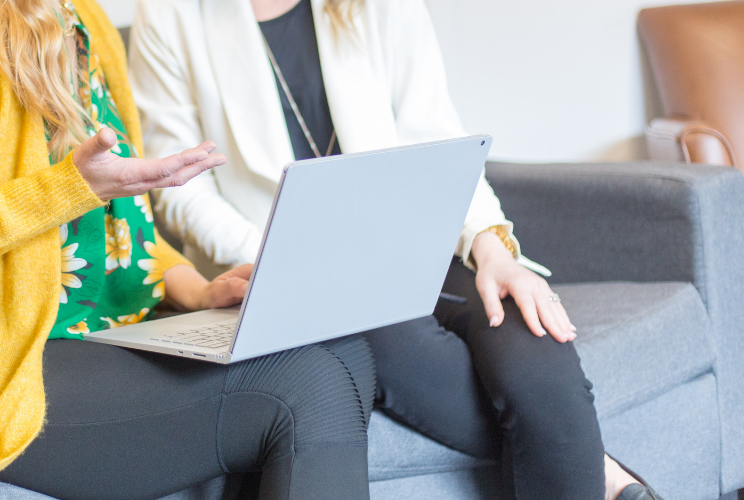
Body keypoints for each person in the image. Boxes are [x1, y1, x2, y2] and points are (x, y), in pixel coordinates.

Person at [128, 0, 664, 499]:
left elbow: (436, 141)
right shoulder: (171, 14)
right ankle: (607, 477)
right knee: (383, 334)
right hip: (297, 275)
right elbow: (181, 189)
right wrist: (283, 257)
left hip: (411, 242)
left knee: (526, 322)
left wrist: (492, 247)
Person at [0, 1, 375, 499]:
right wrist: (70, 187)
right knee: (309, 387)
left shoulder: (86, 20)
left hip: (116, 332)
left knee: (344, 348)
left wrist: (197, 291)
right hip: (9, 365)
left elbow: (122, 230)